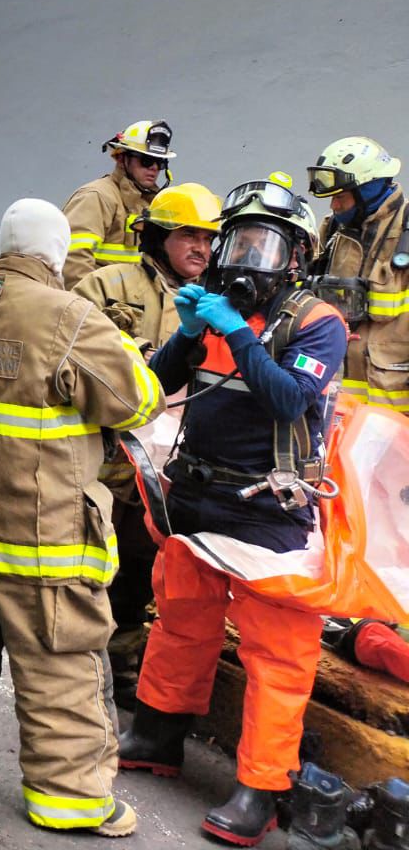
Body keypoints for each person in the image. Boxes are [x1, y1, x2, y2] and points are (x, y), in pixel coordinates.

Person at [0, 198, 162, 838]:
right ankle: (73, 799)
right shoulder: (70, 317)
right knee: (61, 662)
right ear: (56, 252)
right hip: (41, 534)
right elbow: (135, 401)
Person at [119, 176, 347, 847]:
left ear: (296, 258)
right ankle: (157, 732)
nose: (247, 259)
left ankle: (263, 787)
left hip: (268, 511)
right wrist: (188, 336)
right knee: (181, 621)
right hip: (197, 495)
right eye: (238, 242)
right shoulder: (220, 311)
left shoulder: (316, 324)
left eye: (265, 246)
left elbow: (286, 400)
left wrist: (235, 335)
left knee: (277, 654)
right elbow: (157, 384)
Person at [73, 182, 222, 701]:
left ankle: (122, 661)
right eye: (189, 236)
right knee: (87, 559)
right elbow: (76, 353)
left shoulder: (216, 304)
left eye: (208, 238)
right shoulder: (105, 284)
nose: (201, 248)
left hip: (165, 467)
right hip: (106, 455)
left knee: (140, 566)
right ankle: (70, 660)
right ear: (159, 236)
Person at [307, 136, 409, 415]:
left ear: (368, 190)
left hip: (396, 416)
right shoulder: (331, 233)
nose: (333, 207)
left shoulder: (405, 234)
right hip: (338, 412)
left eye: (340, 197)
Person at [62, 120, 176, 288]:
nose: (153, 168)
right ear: (121, 158)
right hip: (101, 306)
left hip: (134, 306)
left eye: (160, 162)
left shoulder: (153, 205)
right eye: (146, 160)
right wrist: (93, 307)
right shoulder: (96, 197)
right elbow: (73, 262)